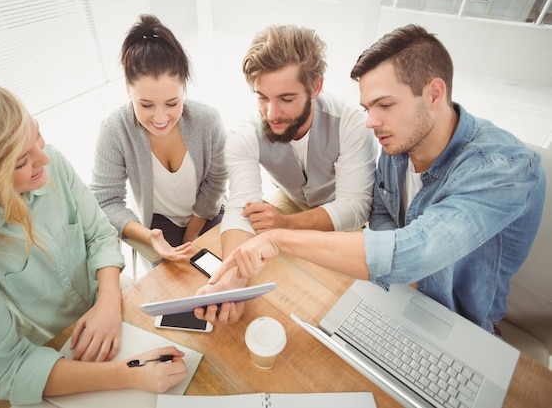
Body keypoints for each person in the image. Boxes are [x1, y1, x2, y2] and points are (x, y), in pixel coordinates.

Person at [207, 24, 546, 335]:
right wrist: (235, 276)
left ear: (433, 93)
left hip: (459, 323)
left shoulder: (505, 167)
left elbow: (414, 250)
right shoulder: (398, 147)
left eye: (384, 104)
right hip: (395, 295)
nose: (370, 122)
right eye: (368, 107)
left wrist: (280, 237)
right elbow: (380, 213)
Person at [0, 73, 187, 405]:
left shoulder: (54, 165)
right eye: (21, 161)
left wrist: (107, 302)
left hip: (113, 300)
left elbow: (101, 235)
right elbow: (4, 368)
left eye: (37, 136)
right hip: (56, 355)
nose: (44, 158)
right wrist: (130, 373)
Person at [194, 23, 377, 325]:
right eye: (262, 97)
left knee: (335, 297)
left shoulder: (351, 122)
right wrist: (231, 280)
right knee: (277, 287)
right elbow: (241, 207)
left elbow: (355, 208)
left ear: (315, 86)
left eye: (286, 99)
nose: (271, 113)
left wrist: (286, 226)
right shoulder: (245, 135)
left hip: (339, 211)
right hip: (289, 202)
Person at [91, 14, 227, 263]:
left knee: (226, 274)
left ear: (183, 86)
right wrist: (147, 236)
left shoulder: (208, 121)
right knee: (175, 290)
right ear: (127, 89)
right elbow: (105, 201)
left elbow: (217, 180)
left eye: (172, 103)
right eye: (146, 105)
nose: (161, 117)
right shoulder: (114, 130)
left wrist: (192, 235)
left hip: (206, 214)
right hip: (158, 227)